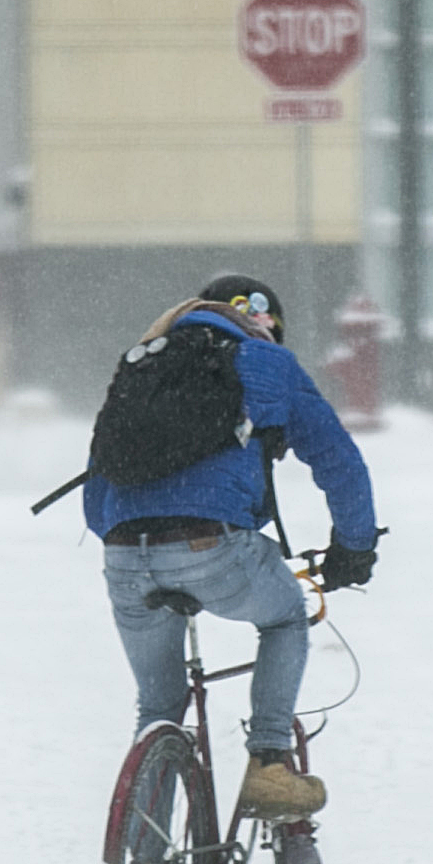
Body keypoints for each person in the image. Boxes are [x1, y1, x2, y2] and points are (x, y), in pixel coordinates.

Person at [86, 272, 380, 828]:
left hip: (124, 553)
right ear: (267, 327)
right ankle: (269, 762)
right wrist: (354, 549)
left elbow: (100, 480)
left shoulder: (146, 360)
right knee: (286, 616)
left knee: (159, 707)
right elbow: (340, 464)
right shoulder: (271, 364)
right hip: (211, 544)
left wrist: (136, 542)